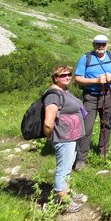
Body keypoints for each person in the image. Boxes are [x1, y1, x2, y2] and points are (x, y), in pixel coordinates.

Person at [73, 34, 111, 170]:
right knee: (87, 127)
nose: (100, 46)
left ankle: (103, 152)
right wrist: (96, 80)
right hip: (91, 96)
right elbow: (78, 78)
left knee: (107, 124)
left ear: (107, 45)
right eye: (98, 44)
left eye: (103, 44)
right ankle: (81, 159)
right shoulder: (86, 58)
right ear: (93, 45)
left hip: (109, 95)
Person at [43, 65, 87, 213]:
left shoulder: (64, 91)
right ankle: (63, 202)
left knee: (67, 168)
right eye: (63, 75)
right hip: (63, 137)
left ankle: (66, 192)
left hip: (70, 137)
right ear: (55, 78)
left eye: (69, 74)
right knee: (63, 169)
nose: (67, 77)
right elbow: (48, 122)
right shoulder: (53, 95)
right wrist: (50, 137)